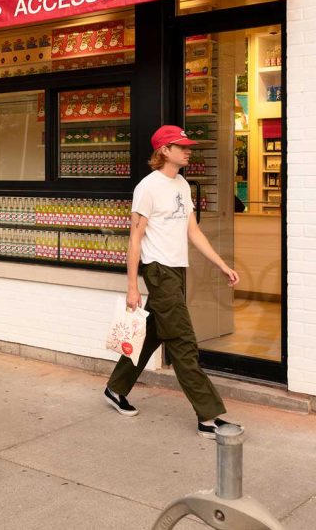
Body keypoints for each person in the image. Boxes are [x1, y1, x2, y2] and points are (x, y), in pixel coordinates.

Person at [104, 124, 242, 438]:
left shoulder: (182, 184)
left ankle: (116, 388)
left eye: (188, 146)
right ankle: (208, 417)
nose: (188, 150)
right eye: (182, 146)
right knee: (183, 342)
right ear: (164, 150)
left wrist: (221, 264)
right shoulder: (148, 187)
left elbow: (192, 231)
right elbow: (135, 239)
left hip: (178, 270)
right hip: (158, 271)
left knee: (153, 333)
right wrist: (132, 287)